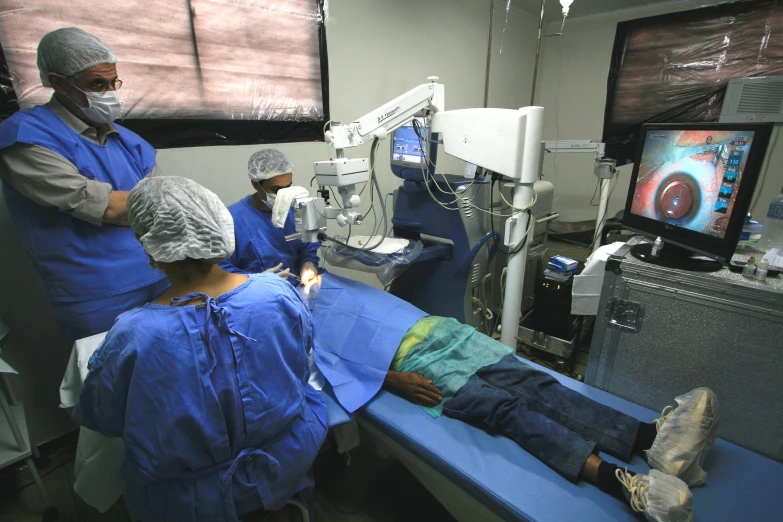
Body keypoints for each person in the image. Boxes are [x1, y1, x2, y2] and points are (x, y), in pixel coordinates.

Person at [227, 236, 714, 521]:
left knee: (535, 382)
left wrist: (310, 265)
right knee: (507, 409)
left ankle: (650, 439)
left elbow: (380, 298)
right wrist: (389, 378)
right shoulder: (275, 313)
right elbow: (313, 367)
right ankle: (621, 483)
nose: (286, 275)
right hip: (406, 363)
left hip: (438, 331)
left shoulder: (317, 276)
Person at [72, 176, 327, 522]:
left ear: (147, 245)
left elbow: (102, 417)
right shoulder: (278, 293)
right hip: (285, 464)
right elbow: (300, 363)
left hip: (190, 502)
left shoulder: (133, 335)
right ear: (219, 227)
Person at [0, 27, 167, 342]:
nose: (109, 93)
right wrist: (184, 205)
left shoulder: (132, 143)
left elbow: (158, 210)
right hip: (97, 294)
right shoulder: (25, 137)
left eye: (113, 82)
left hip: (162, 277)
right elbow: (111, 207)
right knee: (113, 380)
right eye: (97, 84)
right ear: (59, 83)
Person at [221, 149, 319, 285]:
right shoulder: (231, 220)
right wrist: (256, 282)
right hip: (255, 295)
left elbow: (308, 247)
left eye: (288, 187)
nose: (284, 195)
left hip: (299, 286)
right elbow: (222, 271)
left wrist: (308, 263)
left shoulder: (296, 209)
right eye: (276, 190)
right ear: (255, 184)